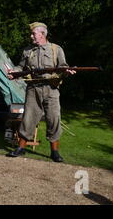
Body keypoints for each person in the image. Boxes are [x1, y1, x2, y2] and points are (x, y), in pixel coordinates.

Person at [7, 22, 75, 162]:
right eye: (31, 33)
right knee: (28, 118)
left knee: (54, 119)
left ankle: (54, 152)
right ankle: (21, 148)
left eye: (33, 33)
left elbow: (62, 66)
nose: (31, 36)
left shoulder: (56, 49)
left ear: (42, 34)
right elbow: (21, 67)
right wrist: (14, 72)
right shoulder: (27, 51)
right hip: (33, 89)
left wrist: (66, 71)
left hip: (52, 89)